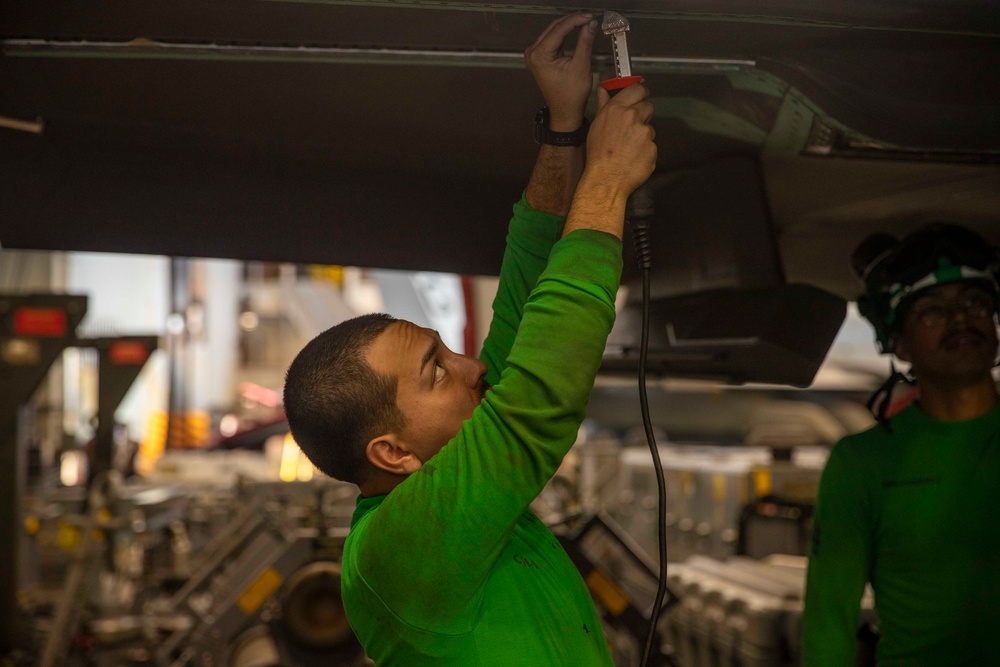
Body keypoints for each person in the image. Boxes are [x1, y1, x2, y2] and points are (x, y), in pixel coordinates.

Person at [282, 12, 656, 666]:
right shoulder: (397, 550)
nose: (472, 365)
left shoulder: (452, 500)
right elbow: (533, 408)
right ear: (392, 450)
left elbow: (524, 289)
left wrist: (564, 126)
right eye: (435, 371)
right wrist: (606, 183)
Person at [802, 222, 1000, 666]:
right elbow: (828, 623)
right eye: (931, 311)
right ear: (901, 343)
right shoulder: (861, 464)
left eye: (976, 302)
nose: (960, 320)